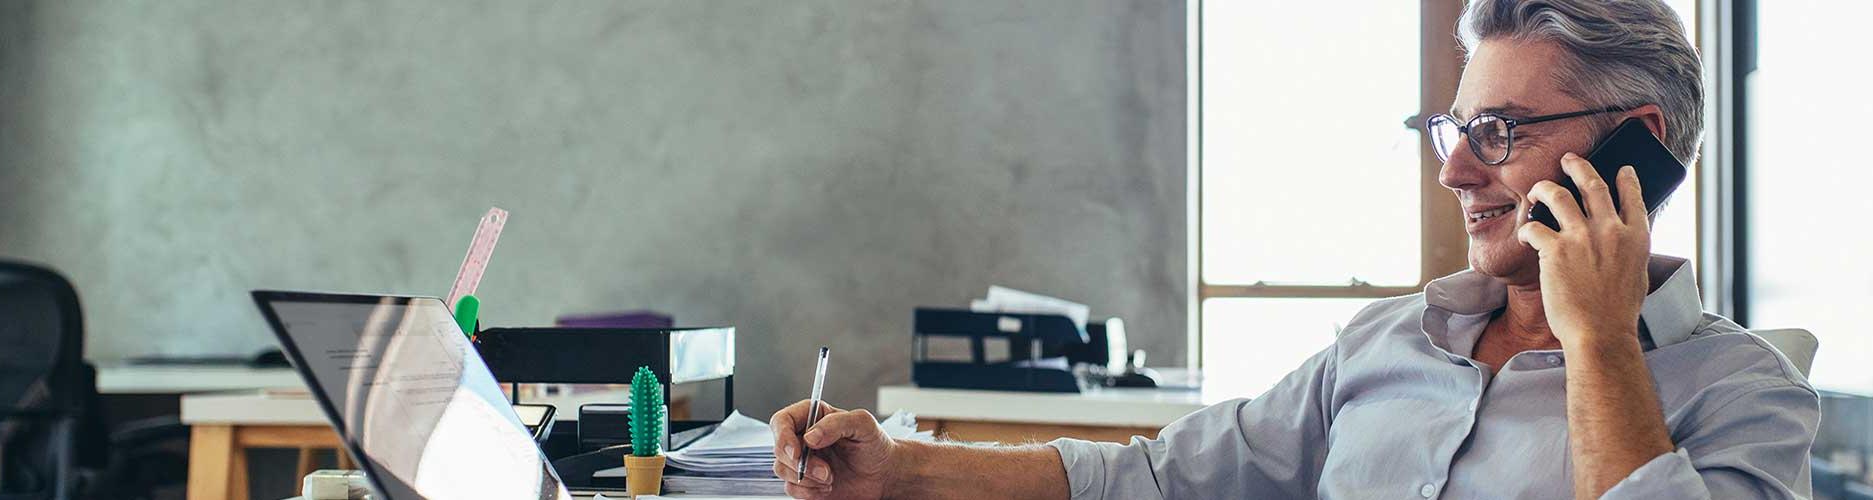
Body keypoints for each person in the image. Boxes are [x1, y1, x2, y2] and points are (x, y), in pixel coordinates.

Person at [768, 0, 1817, 498]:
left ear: (1637, 148)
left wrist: (1598, 342)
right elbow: (1154, 475)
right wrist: (899, 465)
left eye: (1498, 132)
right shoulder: (1392, 340)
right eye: (1453, 132)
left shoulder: (1741, 389)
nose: (1455, 173)